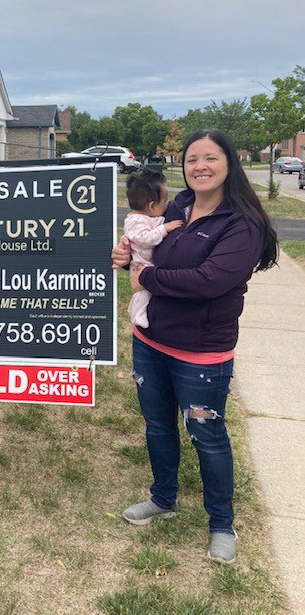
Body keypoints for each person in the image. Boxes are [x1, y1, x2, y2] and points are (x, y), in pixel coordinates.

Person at [112, 129, 278, 564]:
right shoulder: (177, 205)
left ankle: (222, 524)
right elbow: (148, 245)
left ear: (229, 163)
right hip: (150, 340)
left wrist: (144, 278)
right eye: (191, 160)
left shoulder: (241, 222)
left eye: (210, 158)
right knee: (157, 425)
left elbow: (210, 281)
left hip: (201, 351)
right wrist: (126, 256)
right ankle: (163, 498)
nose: (199, 166)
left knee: (207, 435)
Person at [124, 169, 182, 328]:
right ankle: (137, 314)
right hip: (141, 264)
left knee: (146, 292)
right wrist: (165, 228)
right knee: (144, 292)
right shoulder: (135, 221)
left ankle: (135, 309)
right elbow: (146, 239)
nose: (167, 204)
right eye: (165, 201)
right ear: (151, 206)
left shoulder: (146, 217)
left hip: (146, 262)